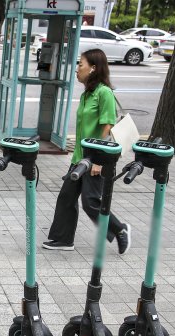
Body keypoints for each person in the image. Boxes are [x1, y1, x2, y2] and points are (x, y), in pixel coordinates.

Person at [43, 49, 130, 254]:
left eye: (80, 64)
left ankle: (120, 230)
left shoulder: (104, 93)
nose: (77, 69)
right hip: (81, 157)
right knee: (66, 197)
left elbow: (108, 125)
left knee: (90, 202)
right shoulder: (87, 94)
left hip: (96, 159)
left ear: (93, 68)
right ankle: (63, 239)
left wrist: (98, 160)